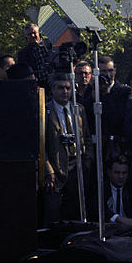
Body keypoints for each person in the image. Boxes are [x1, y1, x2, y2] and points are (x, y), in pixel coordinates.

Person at [43, 71, 92, 225]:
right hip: (55, 170)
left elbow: (87, 137)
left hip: (77, 168)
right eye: (60, 88)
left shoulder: (79, 109)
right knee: (53, 213)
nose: (65, 92)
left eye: (68, 88)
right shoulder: (45, 110)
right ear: (52, 89)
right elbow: (40, 143)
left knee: (75, 214)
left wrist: (87, 162)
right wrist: (47, 170)